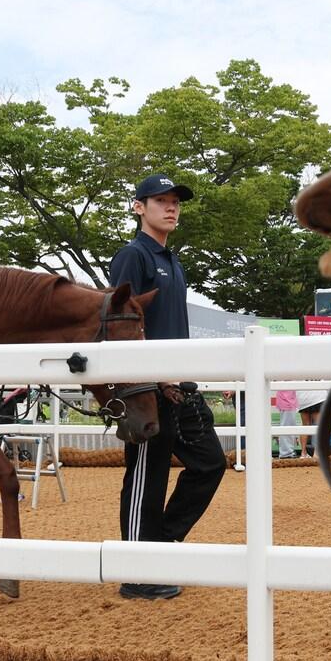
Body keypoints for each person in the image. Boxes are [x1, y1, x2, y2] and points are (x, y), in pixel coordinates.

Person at [108, 173, 226, 600]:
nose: (171, 207)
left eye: (175, 201)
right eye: (160, 200)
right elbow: (121, 322)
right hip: (147, 389)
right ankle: (138, 573)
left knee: (210, 462)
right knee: (146, 476)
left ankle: (161, 546)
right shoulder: (132, 256)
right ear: (139, 207)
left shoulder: (173, 261)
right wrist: (153, 375)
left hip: (181, 386)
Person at [296, 388, 328, 457]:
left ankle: (303, 453)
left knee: (305, 425)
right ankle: (317, 453)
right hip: (318, 397)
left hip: (303, 398)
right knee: (319, 425)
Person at [276, 387, 300, 458]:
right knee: (286, 427)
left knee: (288, 426)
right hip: (286, 401)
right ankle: (286, 453)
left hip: (288, 400)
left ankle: (287, 452)